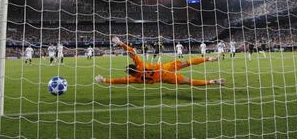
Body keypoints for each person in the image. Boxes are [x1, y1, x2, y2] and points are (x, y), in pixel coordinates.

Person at [95, 37, 226, 86]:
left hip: (165, 77)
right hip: (164, 67)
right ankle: (209, 58)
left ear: (132, 74)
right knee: (187, 62)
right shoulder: (139, 65)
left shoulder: (135, 79)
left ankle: (212, 81)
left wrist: (104, 80)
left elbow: (119, 81)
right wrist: (121, 43)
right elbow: (132, 52)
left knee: (188, 81)